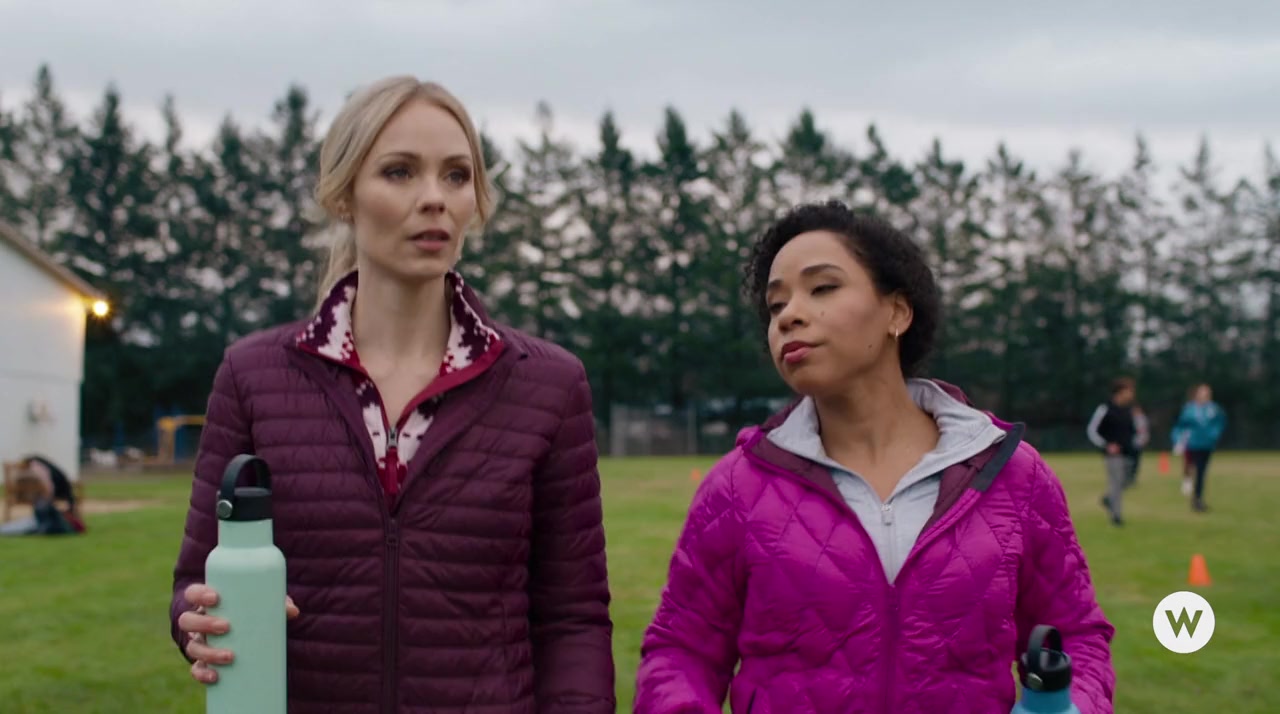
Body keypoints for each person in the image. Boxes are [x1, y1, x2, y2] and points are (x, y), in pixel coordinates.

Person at [169, 76, 614, 713]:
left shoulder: (550, 385)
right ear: (343, 195)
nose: (434, 199)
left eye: (456, 175)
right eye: (400, 172)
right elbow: (197, 580)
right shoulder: (252, 376)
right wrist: (200, 621)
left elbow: (573, 617)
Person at [634, 201, 1115, 713]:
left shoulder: (1016, 476)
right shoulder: (736, 487)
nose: (789, 315)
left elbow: (1076, 637)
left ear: (897, 312)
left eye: (823, 288)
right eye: (775, 306)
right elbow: (681, 652)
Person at [1086, 378, 1138, 526]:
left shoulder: (1129, 410)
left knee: (1128, 481)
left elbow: (1133, 430)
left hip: (1129, 453)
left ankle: (1109, 499)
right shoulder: (1105, 408)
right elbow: (1092, 430)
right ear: (1120, 392)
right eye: (1129, 391)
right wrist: (1106, 445)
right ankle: (1116, 516)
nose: (1132, 394)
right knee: (1115, 483)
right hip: (1113, 455)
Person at [1171, 383, 1226, 512]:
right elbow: (1180, 425)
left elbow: (1220, 422)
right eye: (1202, 392)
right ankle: (1187, 481)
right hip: (1192, 443)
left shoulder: (1214, 409)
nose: (1204, 395)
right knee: (1189, 465)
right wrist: (1177, 440)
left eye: (1207, 393)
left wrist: (1214, 434)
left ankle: (1197, 498)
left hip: (1206, 444)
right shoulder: (1189, 409)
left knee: (1201, 471)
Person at [0, 454, 85, 535]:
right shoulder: (40, 464)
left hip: (57, 490)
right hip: (63, 489)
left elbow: (47, 483)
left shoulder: (35, 465)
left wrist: (47, 497)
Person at [1126, 404, 1150, 489]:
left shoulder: (1142, 419)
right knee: (1129, 460)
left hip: (1138, 443)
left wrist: (1145, 439)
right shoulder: (1129, 418)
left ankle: (1133, 477)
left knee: (1136, 461)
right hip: (1130, 443)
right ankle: (1128, 476)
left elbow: (1145, 430)